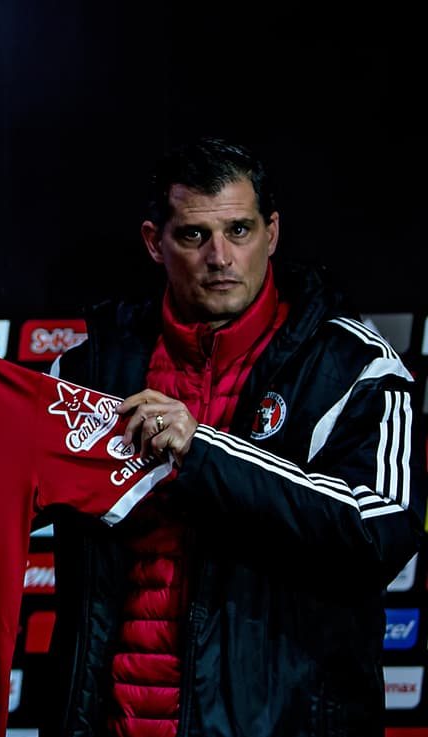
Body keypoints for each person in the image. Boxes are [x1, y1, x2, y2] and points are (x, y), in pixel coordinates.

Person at [40, 136, 425, 736]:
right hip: (116, 723)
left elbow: (380, 531)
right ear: (154, 242)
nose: (220, 256)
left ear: (271, 232)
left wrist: (205, 451)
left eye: (240, 232)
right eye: (195, 235)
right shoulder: (86, 374)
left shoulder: (354, 366)